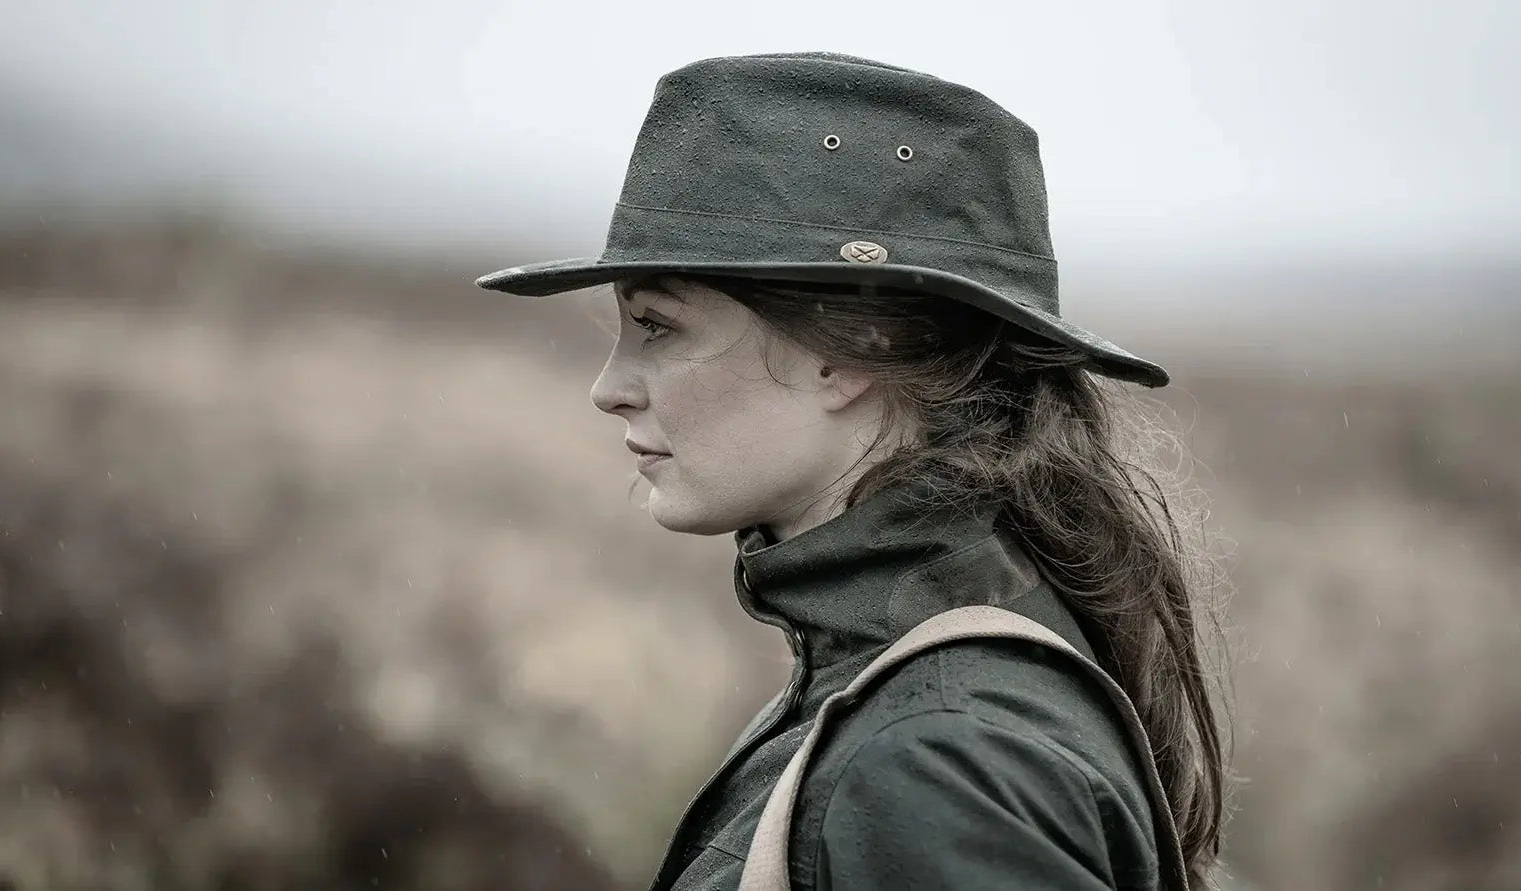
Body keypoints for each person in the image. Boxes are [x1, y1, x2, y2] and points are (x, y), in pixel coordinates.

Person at [477, 51, 1231, 891]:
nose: (608, 387)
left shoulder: (942, 760)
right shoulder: (909, 686)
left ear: (851, 349)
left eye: (658, 325)